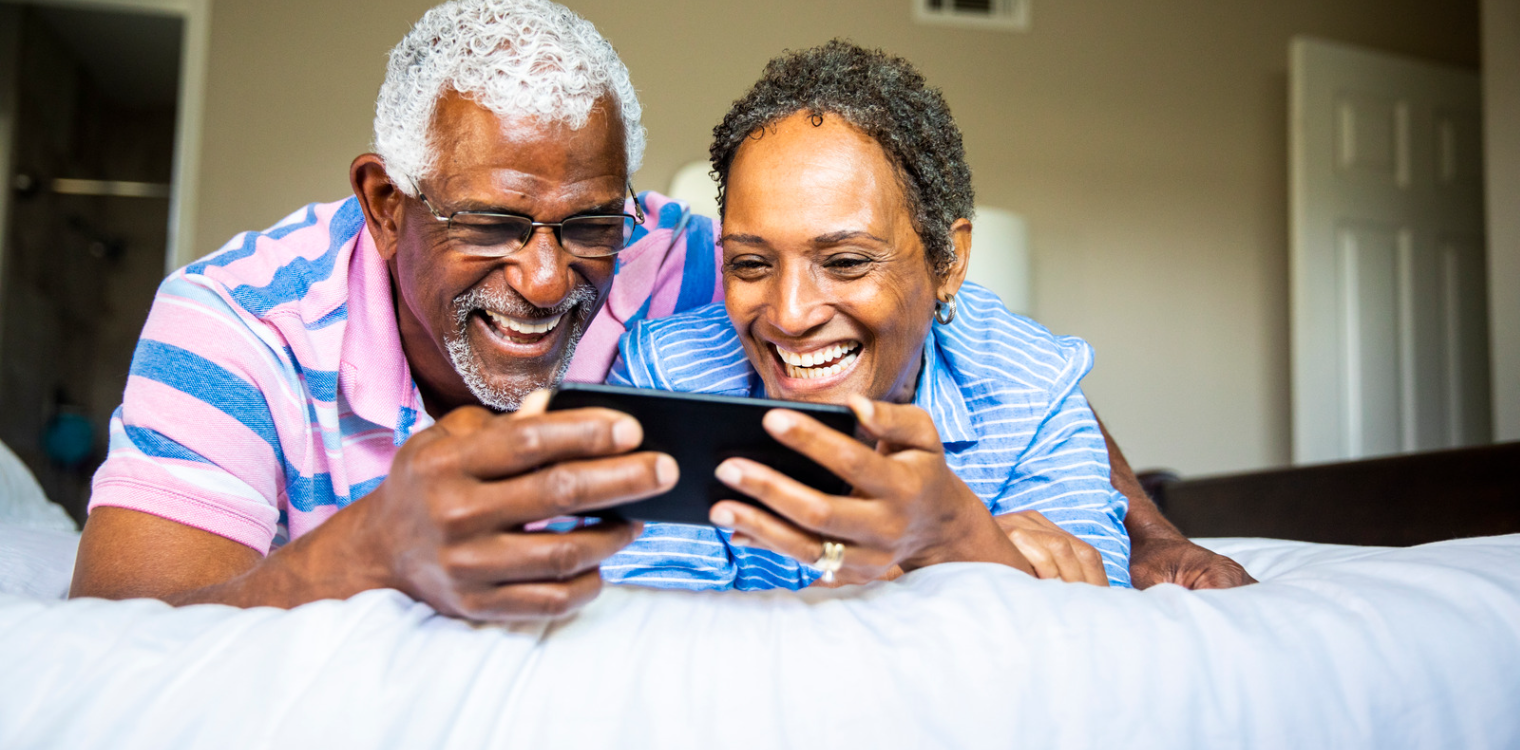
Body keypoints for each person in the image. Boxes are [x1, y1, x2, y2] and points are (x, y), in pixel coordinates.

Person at [69, 0, 1248, 623]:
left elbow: (970, 334)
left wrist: (1142, 534)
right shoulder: (230, 323)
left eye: (583, 222)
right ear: (386, 204)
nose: (545, 280)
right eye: (489, 223)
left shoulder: (687, 264)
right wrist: (365, 551)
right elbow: (122, 639)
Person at [603, 41, 1128, 589]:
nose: (791, 314)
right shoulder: (668, 379)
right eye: (751, 263)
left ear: (947, 262)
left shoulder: (1033, 386)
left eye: (846, 262)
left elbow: (1095, 632)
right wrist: (968, 559)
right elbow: (649, 632)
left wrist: (953, 530)